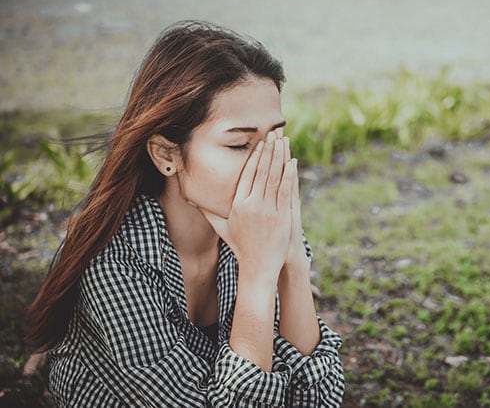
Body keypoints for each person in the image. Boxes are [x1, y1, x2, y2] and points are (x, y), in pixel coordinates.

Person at [26, 20, 345, 407]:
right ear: (166, 154)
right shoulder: (113, 265)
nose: (268, 163)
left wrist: (292, 257)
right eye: (241, 144)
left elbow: (318, 399)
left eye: (275, 138)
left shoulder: (258, 225)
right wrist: (260, 272)